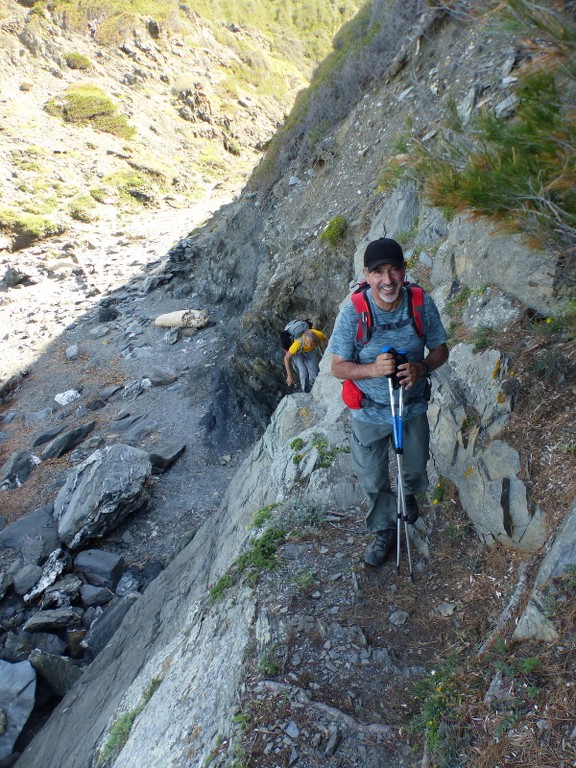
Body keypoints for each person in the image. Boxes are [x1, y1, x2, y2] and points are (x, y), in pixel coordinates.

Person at [329, 237, 449, 567]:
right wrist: (372, 370)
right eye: (378, 272)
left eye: (394, 269)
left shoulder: (420, 304)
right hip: (369, 410)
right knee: (372, 477)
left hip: (410, 408)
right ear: (367, 275)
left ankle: (408, 497)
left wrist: (421, 367)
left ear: (403, 270)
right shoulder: (353, 314)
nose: (387, 280)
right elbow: (337, 366)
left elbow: (441, 348)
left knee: (413, 467)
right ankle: (384, 529)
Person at [284, 326, 329, 393]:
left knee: (314, 372)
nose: (310, 345)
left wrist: (329, 350)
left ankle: (313, 387)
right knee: (303, 372)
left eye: (311, 343)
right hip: (298, 354)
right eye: (307, 343)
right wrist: (289, 375)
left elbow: (325, 339)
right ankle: (305, 390)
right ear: (304, 339)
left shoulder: (318, 334)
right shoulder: (297, 343)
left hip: (310, 352)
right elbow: (286, 358)